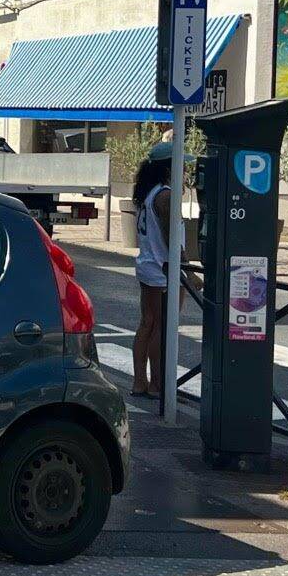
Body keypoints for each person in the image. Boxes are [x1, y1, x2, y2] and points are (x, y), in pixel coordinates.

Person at [130, 143, 174, 399]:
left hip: (148, 264)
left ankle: (139, 381)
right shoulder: (165, 196)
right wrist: (187, 270)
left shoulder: (148, 193)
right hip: (163, 268)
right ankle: (157, 383)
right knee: (161, 327)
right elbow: (171, 235)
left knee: (147, 323)